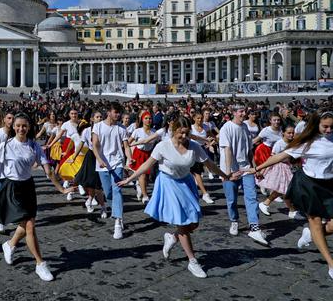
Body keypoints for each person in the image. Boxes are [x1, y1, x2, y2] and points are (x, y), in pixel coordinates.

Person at [245, 112, 333, 290]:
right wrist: (257, 168)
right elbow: (280, 155)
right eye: (325, 126)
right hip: (309, 185)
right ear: (317, 125)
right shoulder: (307, 141)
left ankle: (310, 235)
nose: (329, 130)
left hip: (330, 185)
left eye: (332, 126)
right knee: (316, 221)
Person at [118, 116, 231, 278]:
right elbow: (147, 165)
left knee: (193, 223)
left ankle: (172, 237)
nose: (184, 136)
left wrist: (225, 176)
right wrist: (129, 179)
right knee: (183, 223)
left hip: (186, 183)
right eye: (180, 133)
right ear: (173, 130)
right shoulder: (163, 146)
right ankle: (192, 261)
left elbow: (210, 164)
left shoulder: (193, 146)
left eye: (186, 133)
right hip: (168, 183)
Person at [0, 113, 68, 281]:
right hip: (12, 188)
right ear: (13, 127)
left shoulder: (34, 146)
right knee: (29, 226)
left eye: (24, 126)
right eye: (18, 125)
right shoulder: (6, 145)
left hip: (28, 187)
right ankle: (40, 264)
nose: (21, 129)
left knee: (26, 224)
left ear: (29, 127)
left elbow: (48, 171)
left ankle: (10, 244)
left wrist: (61, 189)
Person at [219, 104, 268, 245]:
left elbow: (249, 150)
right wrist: (228, 173)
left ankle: (254, 226)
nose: (243, 114)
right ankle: (234, 221)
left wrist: (254, 168)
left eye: (244, 111)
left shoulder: (245, 127)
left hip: (245, 168)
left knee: (252, 197)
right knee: (232, 200)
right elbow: (227, 150)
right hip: (230, 170)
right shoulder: (226, 128)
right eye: (241, 111)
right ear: (234, 112)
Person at [92, 102, 132, 240]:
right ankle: (116, 212)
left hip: (117, 163)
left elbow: (126, 146)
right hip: (102, 164)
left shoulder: (122, 128)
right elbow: (95, 145)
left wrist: (129, 158)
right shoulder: (98, 126)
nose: (118, 115)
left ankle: (118, 222)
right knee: (108, 193)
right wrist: (99, 159)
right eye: (116, 112)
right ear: (108, 112)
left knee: (117, 190)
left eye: (119, 112)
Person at [256, 124, 304, 220]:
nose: (291, 135)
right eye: (289, 133)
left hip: (288, 167)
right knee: (285, 189)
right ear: (283, 133)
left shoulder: (293, 143)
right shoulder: (279, 143)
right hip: (279, 167)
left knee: (284, 190)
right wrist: (262, 170)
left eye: (293, 133)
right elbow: (272, 157)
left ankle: (289, 210)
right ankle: (291, 210)